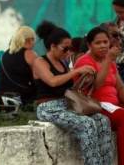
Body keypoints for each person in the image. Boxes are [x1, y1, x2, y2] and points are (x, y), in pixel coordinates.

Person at [33, 21, 112, 165]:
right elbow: (52, 81)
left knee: (102, 121)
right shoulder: (40, 61)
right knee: (86, 124)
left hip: (66, 104)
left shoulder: (63, 63)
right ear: (53, 46)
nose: (68, 52)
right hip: (48, 108)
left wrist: (85, 78)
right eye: (65, 48)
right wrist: (76, 71)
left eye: (70, 48)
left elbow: (68, 87)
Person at [74, 27, 124, 165]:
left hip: (113, 106)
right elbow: (96, 85)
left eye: (105, 42)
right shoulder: (84, 61)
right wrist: (109, 59)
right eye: (98, 43)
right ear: (89, 45)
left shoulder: (109, 61)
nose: (103, 45)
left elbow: (120, 86)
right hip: (96, 106)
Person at [0, 26, 38, 104]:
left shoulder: (5, 54)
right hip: (23, 98)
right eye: (32, 39)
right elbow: (39, 78)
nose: (33, 42)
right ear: (28, 40)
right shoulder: (30, 54)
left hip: (4, 97)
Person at [112, 0, 124, 86]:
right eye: (116, 12)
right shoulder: (117, 21)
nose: (118, 15)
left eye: (121, 12)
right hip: (118, 66)